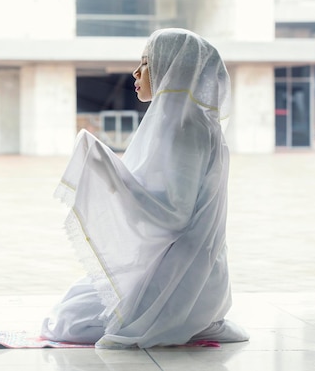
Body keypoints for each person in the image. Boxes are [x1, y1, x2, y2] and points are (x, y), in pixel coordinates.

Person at [40, 28, 249, 349]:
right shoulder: (186, 120)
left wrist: (105, 174)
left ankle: (186, 318)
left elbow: (174, 216)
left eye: (147, 63)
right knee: (72, 305)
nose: (136, 73)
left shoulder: (184, 127)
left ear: (172, 68)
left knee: (69, 321)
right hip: (189, 267)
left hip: (183, 272)